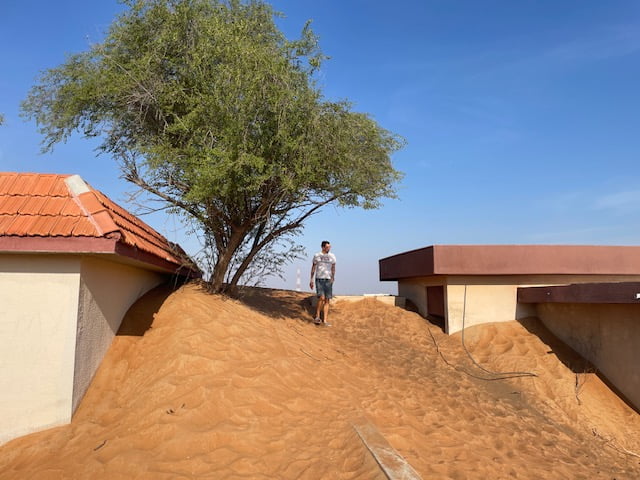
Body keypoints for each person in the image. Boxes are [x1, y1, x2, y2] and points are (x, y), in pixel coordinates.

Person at [309, 240, 336, 326]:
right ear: (323, 247)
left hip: (328, 279)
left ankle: (325, 320)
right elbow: (313, 267)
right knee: (322, 298)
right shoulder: (317, 255)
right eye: (327, 247)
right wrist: (311, 279)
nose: (329, 248)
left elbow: (333, 267)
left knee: (327, 299)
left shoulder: (332, 256)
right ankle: (317, 316)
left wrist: (332, 277)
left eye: (329, 247)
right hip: (319, 279)